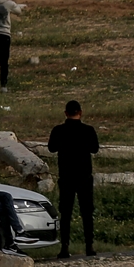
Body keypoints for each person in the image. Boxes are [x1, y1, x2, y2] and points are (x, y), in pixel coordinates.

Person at [48, 99, 100, 258]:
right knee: (87, 212)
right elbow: (95, 149)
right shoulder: (88, 130)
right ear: (80, 113)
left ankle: (64, 247)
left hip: (66, 176)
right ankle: (89, 246)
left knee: (66, 213)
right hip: (84, 176)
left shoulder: (58, 130)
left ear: (65, 113)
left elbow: (51, 148)